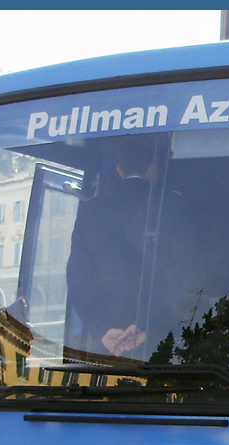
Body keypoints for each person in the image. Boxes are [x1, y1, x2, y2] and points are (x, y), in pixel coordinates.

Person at [65, 136, 160, 358]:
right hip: (167, 351)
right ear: (153, 169)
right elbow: (183, 278)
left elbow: (78, 279)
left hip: (107, 349)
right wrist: (148, 325)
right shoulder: (173, 208)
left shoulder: (90, 212)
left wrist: (102, 329)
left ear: (118, 170)